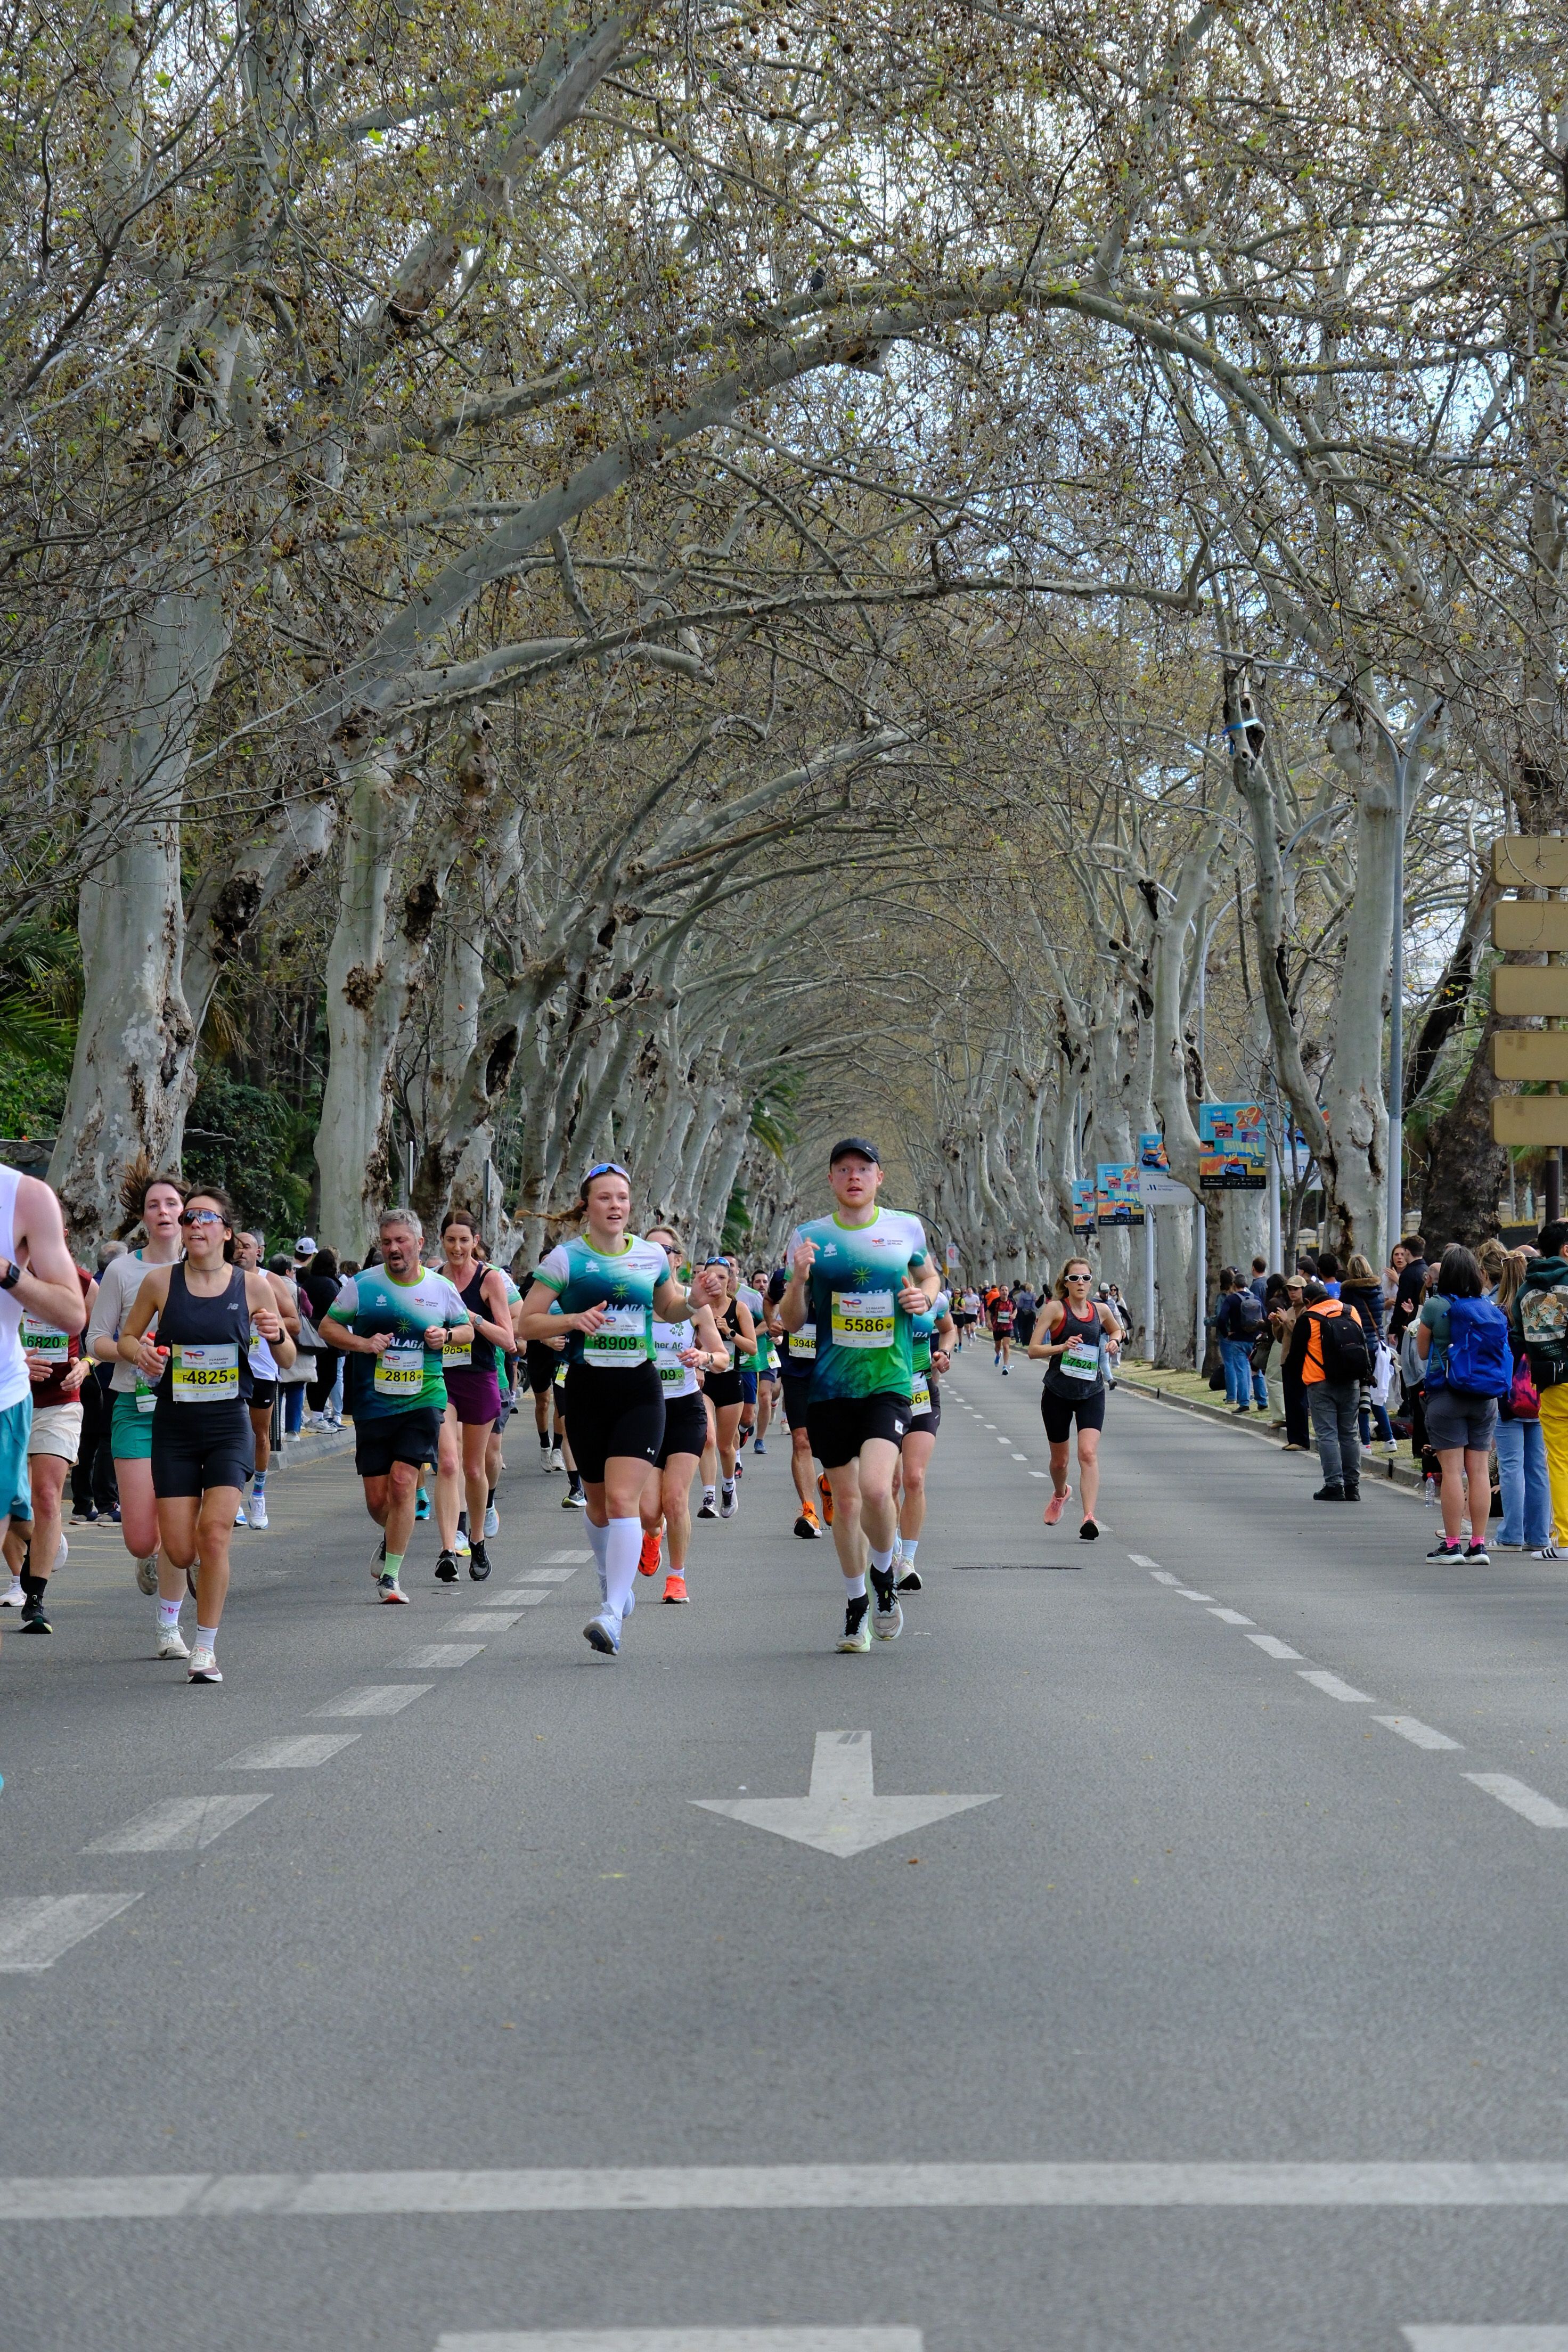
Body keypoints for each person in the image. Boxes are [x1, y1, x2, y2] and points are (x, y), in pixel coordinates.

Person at [516, 1163, 724, 1654]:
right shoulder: (566, 1260)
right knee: (597, 1503)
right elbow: (527, 1324)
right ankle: (612, 1578)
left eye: (623, 1199)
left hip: (638, 1388)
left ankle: (612, 1614)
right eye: (605, 1198)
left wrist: (692, 1300)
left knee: (624, 1501)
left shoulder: (651, 1255)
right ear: (586, 1205)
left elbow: (667, 1309)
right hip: (587, 1388)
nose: (615, 1206)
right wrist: (573, 1317)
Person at [119, 1188, 294, 1682]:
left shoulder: (253, 1287)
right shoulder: (160, 1283)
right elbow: (128, 1336)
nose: (194, 1225)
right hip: (174, 1427)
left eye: (206, 1218)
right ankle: (178, 1597)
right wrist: (143, 1355)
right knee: (180, 1549)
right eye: (189, 1216)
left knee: (214, 1534)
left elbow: (283, 1360)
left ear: (226, 1231)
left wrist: (276, 1333)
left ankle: (205, 1649)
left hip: (228, 1426)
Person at [778, 1137, 938, 1651]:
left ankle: (885, 1577)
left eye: (863, 1169)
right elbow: (788, 1320)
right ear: (831, 1179)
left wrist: (925, 1295)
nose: (854, 1176)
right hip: (829, 1387)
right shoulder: (808, 1237)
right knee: (845, 1505)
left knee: (876, 1489)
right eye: (843, 1169)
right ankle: (856, 1604)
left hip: (888, 1383)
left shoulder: (904, 1228)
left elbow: (930, 1276)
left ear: (878, 1178)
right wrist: (799, 1279)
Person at [317, 1208, 473, 1606]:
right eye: (386, 1242)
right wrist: (364, 1344)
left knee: (405, 1482)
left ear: (419, 1244)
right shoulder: (362, 1285)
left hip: (424, 1398)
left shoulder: (439, 1288)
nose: (393, 1249)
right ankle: (392, 1539)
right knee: (378, 1500)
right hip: (373, 1403)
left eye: (401, 1241)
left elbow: (468, 1330)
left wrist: (448, 1335)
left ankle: (391, 1578)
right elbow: (328, 1327)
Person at [85, 1170, 192, 1642]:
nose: (164, 1212)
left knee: (178, 1530)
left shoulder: (207, 1266)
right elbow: (97, 1340)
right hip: (135, 1405)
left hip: (192, 1410)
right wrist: (136, 1350)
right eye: (154, 1205)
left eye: (172, 1203)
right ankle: (147, 1559)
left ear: (186, 1210)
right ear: (144, 1217)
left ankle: (170, 1625)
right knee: (141, 1538)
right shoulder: (124, 1271)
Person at [0, 1183, 91, 1638]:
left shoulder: (81, 1282)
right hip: (13, 1397)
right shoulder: (8, 1276)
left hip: (58, 1404)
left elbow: (95, 1336)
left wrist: (85, 1364)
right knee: (18, 1508)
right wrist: (21, 1359)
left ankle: (35, 1599)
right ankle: (39, 1543)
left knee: (49, 1494)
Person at [636, 1224, 728, 1602]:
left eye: (667, 1250)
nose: (659, 1256)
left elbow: (723, 1359)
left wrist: (704, 1357)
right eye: (650, 1250)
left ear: (678, 1259)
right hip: (644, 1411)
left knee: (676, 1499)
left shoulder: (695, 1305)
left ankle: (677, 1578)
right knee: (648, 1511)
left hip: (685, 1409)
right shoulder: (635, 1306)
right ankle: (652, 1535)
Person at [431, 1211, 513, 1583]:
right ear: (442, 1242)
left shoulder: (489, 1279)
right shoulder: (434, 1280)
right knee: (447, 1463)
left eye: (464, 1240)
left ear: (475, 1241)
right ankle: (449, 1549)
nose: (457, 1248)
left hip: (480, 1376)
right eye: (451, 1240)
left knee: (473, 1468)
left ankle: (477, 1541)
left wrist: (472, 1319)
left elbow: (509, 1340)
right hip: (441, 1378)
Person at [1415, 1242, 1510, 1564]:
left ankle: (1453, 1545)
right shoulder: (1487, 1306)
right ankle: (1479, 1545)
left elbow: (1423, 1353)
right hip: (1485, 1398)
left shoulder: (1436, 1307)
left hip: (1447, 1394)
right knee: (1480, 1471)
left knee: (1453, 1472)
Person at [1030, 1257, 1121, 1540]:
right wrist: (1062, 1347)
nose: (1081, 1284)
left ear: (1091, 1282)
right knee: (1060, 1463)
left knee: (1088, 1454)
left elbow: (1117, 1329)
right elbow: (1033, 1349)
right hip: (1057, 1393)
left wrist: (1116, 1339)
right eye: (1075, 1279)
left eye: (1085, 1278)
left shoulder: (1101, 1309)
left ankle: (1089, 1517)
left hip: (1091, 1392)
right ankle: (1060, 1494)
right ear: (1066, 1282)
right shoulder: (1056, 1309)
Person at [230, 1230, 301, 1530]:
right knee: (231, 1434)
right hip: (227, 1370)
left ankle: (258, 1493)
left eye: (247, 1247)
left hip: (262, 1369)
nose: (240, 1252)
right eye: (235, 1247)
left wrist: (267, 1320)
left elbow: (295, 1322)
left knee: (259, 1434)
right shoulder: (219, 1279)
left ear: (259, 1251)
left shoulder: (270, 1281)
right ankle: (232, 1499)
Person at [1284, 1277, 1370, 1500]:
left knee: (1327, 1435)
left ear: (1308, 1300)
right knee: (1350, 1433)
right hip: (1351, 1381)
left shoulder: (1309, 1318)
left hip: (1320, 1382)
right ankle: (1353, 1487)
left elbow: (1295, 1357)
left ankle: (1334, 1485)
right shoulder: (1350, 1311)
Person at [895, 1287, 956, 1591]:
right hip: (881, 1394)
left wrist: (944, 1353)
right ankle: (889, 1552)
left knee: (914, 1479)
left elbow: (948, 1329)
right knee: (886, 1484)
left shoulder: (936, 1297)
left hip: (922, 1393)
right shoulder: (870, 1288)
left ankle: (907, 1560)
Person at [1494, 1250, 1554, 1557]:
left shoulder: (1499, 1312)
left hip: (1510, 1396)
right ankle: (1540, 1533)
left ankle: (1512, 1533)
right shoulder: (1539, 1307)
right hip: (1540, 1392)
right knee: (1538, 1468)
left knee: (1511, 1467)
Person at [1519, 1221, 1568, 1548]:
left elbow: (1518, 1338)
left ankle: (1564, 1537)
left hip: (1551, 1382)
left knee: (1559, 1461)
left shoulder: (1526, 1289)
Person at [767, 1263, 823, 1538]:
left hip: (832, 1369)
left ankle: (829, 1485)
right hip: (796, 1371)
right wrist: (773, 1323)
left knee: (832, 1443)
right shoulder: (783, 1277)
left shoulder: (833, 1275)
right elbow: (770, 1300)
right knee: (802, 1439)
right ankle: (809, 1510)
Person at [698, 1256, 755, 1521]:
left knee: (724, 1445)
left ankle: (728, 1486)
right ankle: (708, 1497)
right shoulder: (696, 1307)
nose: (717, 1282)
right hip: (704, 1382)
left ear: (730, 1280)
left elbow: (753, 1348)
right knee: (707, 1439)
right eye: (712, 1277)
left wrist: (729, 1333)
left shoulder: (739, 1308)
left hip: (732, 1381)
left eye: (723, 1277)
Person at [1340, 1251, 1397, 1452]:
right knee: (1376, 1396)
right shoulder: (1377, 1289)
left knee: (1362, 1394)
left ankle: (1365, 1442)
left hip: (1359, 1345)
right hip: (1379, 1344)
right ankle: (1390, 1439)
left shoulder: (1348, 1292)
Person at [299, 1246, 345, 1426]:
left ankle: (315, 1415)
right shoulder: (330, 1284)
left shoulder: (309, 1282)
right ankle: (319, 1416)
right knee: (329, 1376)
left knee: (314, 1376)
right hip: (328, 1336)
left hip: (309, 1335)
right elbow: (338, 1310)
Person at [1213, 1265, 1265, 1413]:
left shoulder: (1231, 1300)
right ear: (1246, 1285)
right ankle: (1262, 1400)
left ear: (1234, 1286)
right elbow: (1265, 1317)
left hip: (1238, 1340)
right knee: (1257, 1370)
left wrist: (1226, 1333)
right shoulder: (1256, 1298)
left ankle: (1244, 1402)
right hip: (1255, 1340)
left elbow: (1222, 1318)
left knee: (1242, 1371)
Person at [1270, 1274, 1312, 1450]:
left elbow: (1301, 1333)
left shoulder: (1307, 1310)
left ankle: (1301, 1439)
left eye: (1296, 1289)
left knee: (1299, 1400)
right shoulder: (1290, 1310)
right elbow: (1281, 1338)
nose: (1292, 1293)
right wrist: (1276, 1324)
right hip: (1287, 1359)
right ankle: (1293, 1438)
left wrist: (1287, 1322)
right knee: (1290, 1400)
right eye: (1290, 1289)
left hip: (1300, 1360)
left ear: (1304, 1290)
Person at [1389, 1233, 1429, 1341]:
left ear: (1407, 1252)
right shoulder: (1427, 1270)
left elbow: (1402, 1304)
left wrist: (1393, 1329)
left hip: (1409, 1325)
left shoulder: (1408, 1274)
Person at [989, 1282, 1015, 1372]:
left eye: (1006, 1290)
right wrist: (989, 1322)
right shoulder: (996, 1302)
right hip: (997, 1327)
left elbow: (1016, 1310)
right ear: (1000, 1292)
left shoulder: (1012, 1301)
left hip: (1008, 1326)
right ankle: (998, 1355)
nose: (1005, 1292)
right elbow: (988, 1311)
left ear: (1008, 1292)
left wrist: (1014, 1315)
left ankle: (1005, 1366)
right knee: (998, 1347)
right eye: (1003, 1290)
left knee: (1006, 1346)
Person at [1012, 1281, 1038, 1351]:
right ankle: (1029, 1342)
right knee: (1030, 1328)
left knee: (1024, 1328)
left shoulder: (1023, 1295)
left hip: (1025, 1313)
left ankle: (1024, 1342)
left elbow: (1020, 1305)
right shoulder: (1034, 1295)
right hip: (1032, 1313)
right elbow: (1034, 1305)